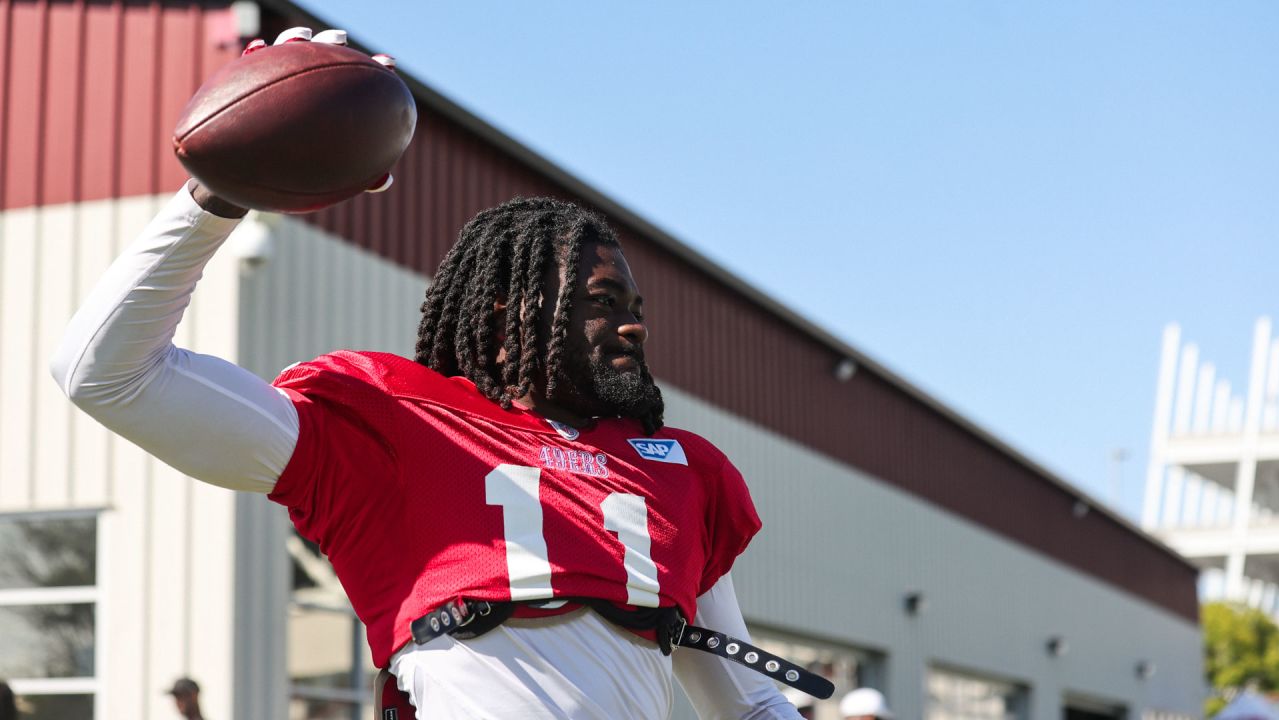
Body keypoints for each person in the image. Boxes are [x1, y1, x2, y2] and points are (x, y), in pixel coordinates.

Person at [51, 26, 811, 720]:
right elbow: (107, 375)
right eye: (601, 301)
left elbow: (747, 706)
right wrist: (218, 196)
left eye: (634, 304)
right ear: (508, 319)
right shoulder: (392, 420)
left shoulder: (681, 471)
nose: (634, 323)